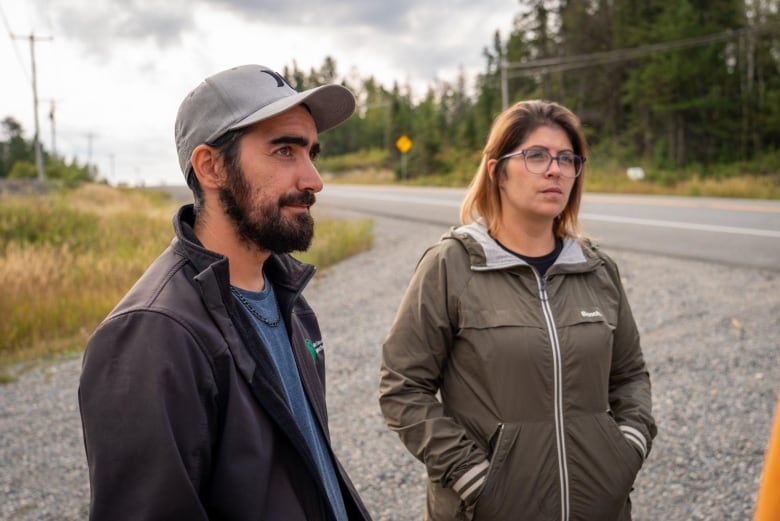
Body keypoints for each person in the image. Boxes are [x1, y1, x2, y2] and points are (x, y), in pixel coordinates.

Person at [79, 64, 372, 521]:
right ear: (211, 167)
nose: (314, 179)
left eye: (312, 153)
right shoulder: (153, 335)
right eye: (284, 151)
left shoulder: (288, 296)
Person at [379, 99, 657, 520]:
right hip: (490, 509)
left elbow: (630, 375)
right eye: (536, 156)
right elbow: (402, 387)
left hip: (600, 506)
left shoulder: (597, 270)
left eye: (567, 158)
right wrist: (473, 477)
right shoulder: (451, 265)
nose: (555, 170)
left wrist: (628, 448)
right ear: (496, 172)